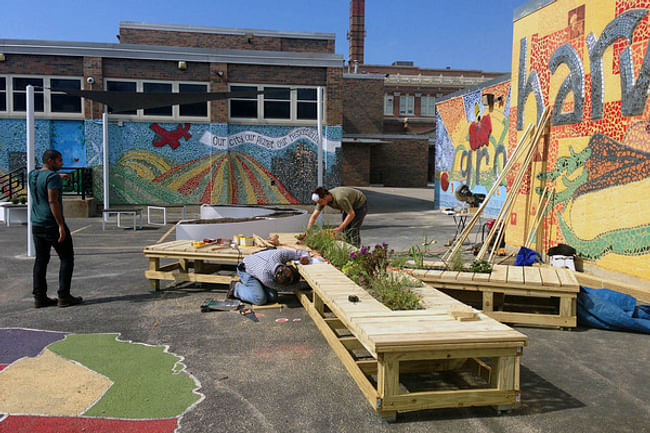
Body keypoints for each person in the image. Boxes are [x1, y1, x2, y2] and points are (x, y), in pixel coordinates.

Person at [29, 149, 83, 308]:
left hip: (37, 224)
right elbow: (53, 202)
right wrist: (60, 225)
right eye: (59, 160)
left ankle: (39, 297)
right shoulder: (52, 177)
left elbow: (44, 178)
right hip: (51, 223)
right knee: (67, 258)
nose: (62, 163)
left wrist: (58, 176)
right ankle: (64, 295)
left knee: (41, 259)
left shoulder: (33, 174)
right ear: (51, 161)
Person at [228, 248, 311, 306]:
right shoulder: (266, 278)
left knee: (272, 297)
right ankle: (236, 288)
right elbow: (285, 288)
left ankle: (255, 286)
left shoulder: (281, 254)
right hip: (246, 270)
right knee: (260, 299)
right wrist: (305, 285)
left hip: (257, 267)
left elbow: (301, 253)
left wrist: (305, 258)